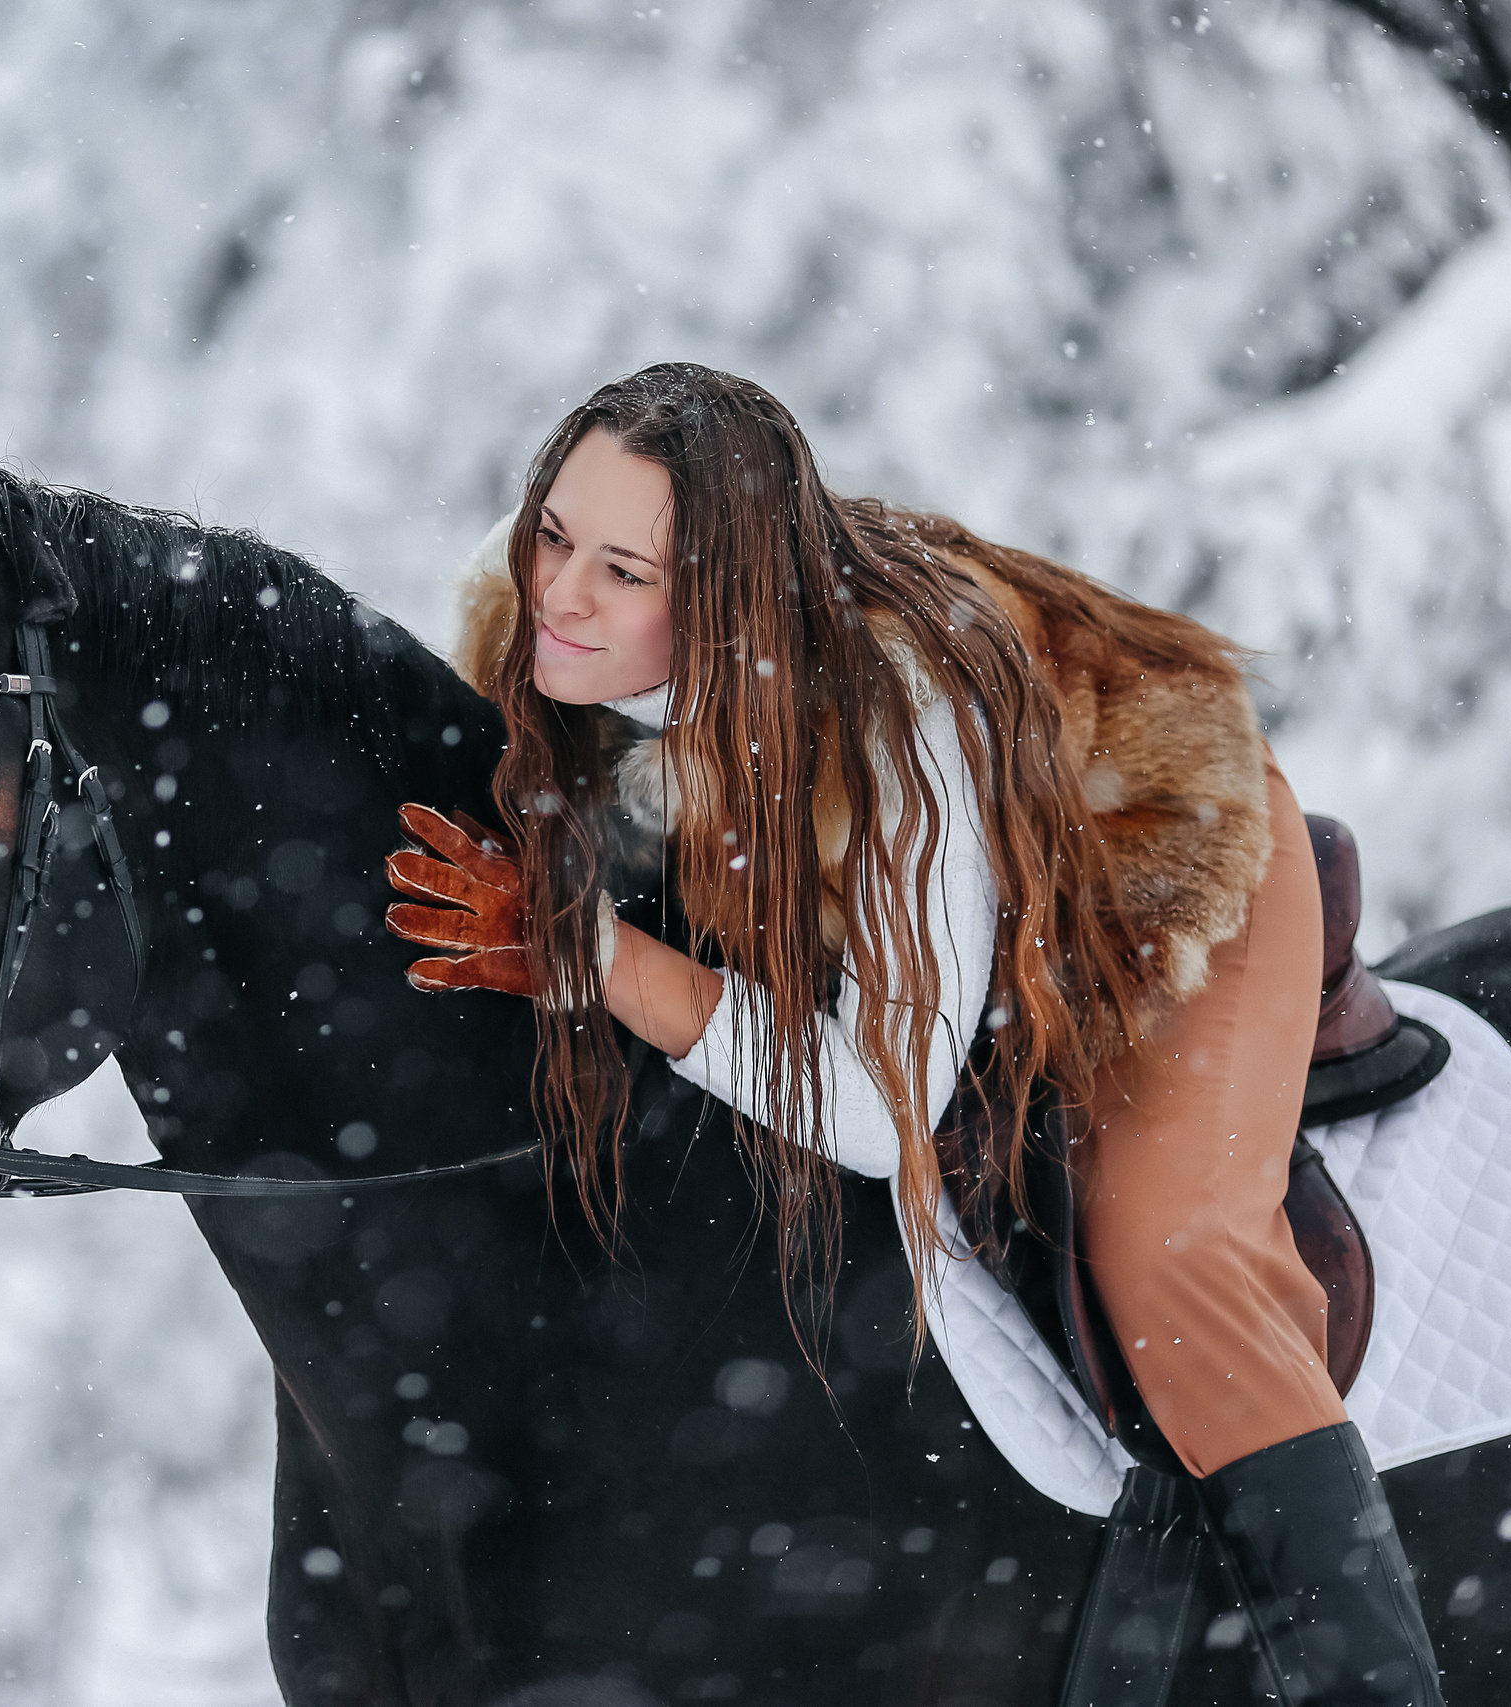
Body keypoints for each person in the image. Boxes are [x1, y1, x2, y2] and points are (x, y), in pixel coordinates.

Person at [383, 363, 1443, 1706]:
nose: (563, 594)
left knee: (1166, 1252)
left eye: (624, 572)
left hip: (1143, 858)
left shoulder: (893, 731)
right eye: (553, 533)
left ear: (721, 604)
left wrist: (595, 956)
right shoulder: (526, 618)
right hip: (878, 884)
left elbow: (879, 1114)